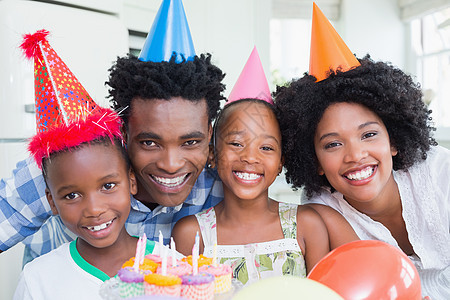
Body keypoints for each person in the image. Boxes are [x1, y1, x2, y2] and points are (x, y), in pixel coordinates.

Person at [0, 0, 225, 264]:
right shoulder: (69, 161)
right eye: (150, 143)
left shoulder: (219, 185)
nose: (171, 165)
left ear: (208, 135)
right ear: (124, 132)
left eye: (190, 142)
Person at [274, 4, 450, 299]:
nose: (355, 155)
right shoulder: (323, 213)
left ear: (393, 141)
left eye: (368, 135)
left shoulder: (440, 173)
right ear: (314, 160)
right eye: (332, 144)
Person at [172, 48, 358, 286]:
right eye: (237, 143)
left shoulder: (306, 225)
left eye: (266, 148)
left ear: (281, 161)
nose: (250, 157)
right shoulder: (191, 234)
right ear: (212, 155)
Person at [13, 30, 157, 299]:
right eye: (72, 195)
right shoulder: (37, 280)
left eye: (108, 185)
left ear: (132, 181)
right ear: (52, 202)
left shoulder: (174, 266)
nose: (94, 209)